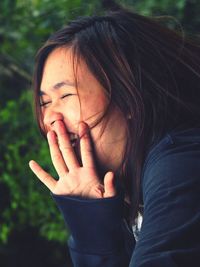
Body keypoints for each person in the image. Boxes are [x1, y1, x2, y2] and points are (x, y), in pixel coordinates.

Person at [29, 2, 200, 267]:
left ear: (129, 97)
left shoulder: (181, 165)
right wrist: (90, 226)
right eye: (45, 103)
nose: (50, 117)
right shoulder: (126, 191)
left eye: (65, 95)